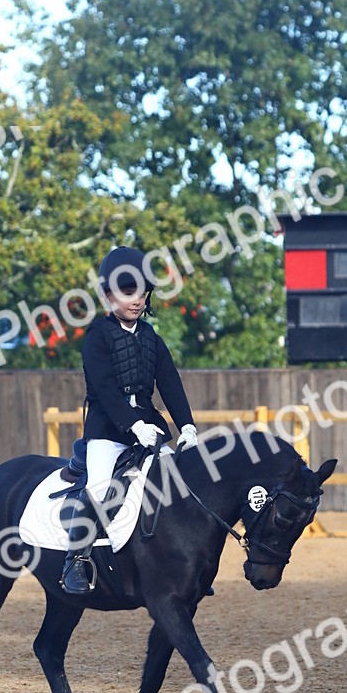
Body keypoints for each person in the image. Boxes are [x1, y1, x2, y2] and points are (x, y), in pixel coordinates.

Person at [60, 245, 198, 594]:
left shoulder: (151, 337)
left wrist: (187, 427)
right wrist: (132, 425)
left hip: (149, 430)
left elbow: (170, 384)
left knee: (180, 487)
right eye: (127, 292)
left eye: (141, 292)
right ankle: (76, 560)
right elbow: (105, 389)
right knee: (99, 487)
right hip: (108, 431)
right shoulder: (97, 337)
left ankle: (181, 563)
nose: (136, 300)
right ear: (108, 295)